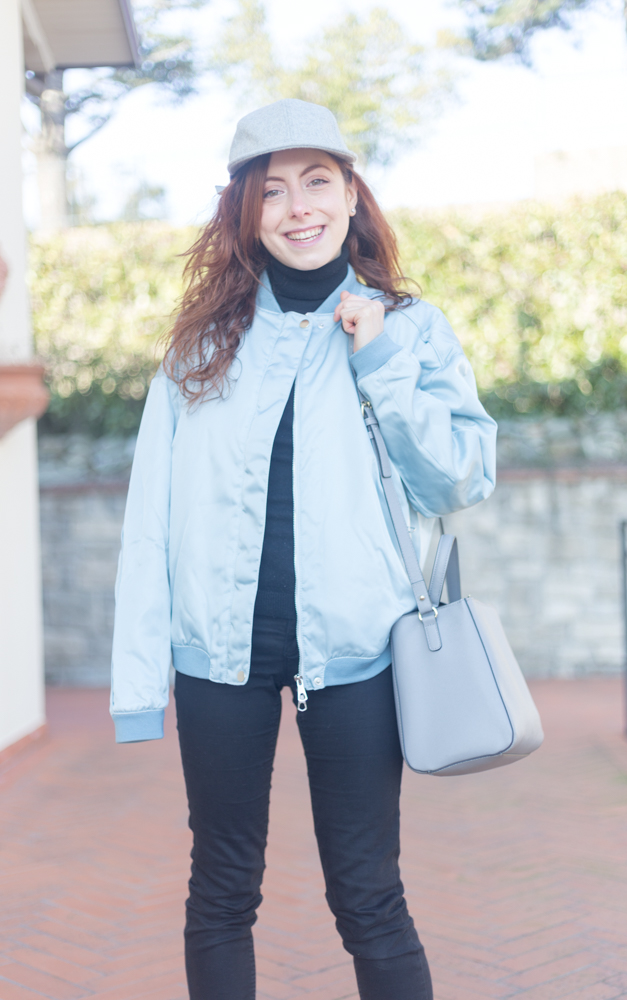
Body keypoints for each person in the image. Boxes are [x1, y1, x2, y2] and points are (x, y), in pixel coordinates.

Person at [110, 98, 497, 1000]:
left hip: (360, 655)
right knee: (220, 893)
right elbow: (148, 523)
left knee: (368, 896)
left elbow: (461, 480)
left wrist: (381, 361)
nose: (297, 207)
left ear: (352, 195)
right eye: (272, 189)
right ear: (245, 211)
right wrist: (138, 689)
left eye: (317, 182)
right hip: (219, 660)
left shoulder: (409, 328)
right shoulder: (200, 349)